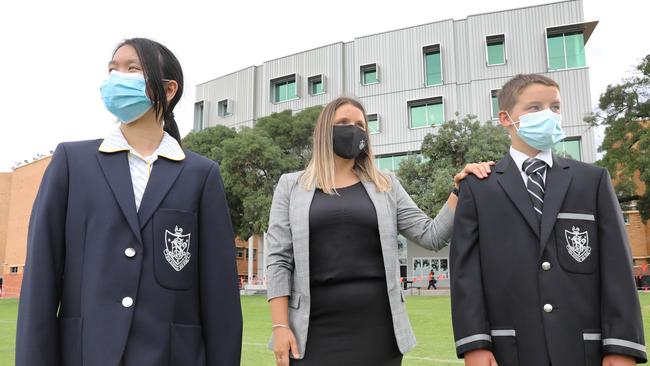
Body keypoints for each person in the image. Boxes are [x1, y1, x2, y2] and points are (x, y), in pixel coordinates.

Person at [15, 38, 242, 366]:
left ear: (168, 89)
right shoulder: (72, 162)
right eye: (112, 69)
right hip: (85, 353)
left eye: (132, 69)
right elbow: (41, 279)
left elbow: (220, 295)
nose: (117, 77)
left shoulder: (200, 175)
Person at [266, 96, 494, 366]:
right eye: (343, 122)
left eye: (361, 125)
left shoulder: (386, 185)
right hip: (311, 332)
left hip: (379, 331)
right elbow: (279, 260)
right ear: (323, 130)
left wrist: (460, 189)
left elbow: (431, 235)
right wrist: (280, 327)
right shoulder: (290, 186)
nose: (353, 129)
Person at [450, 74, 646, 366]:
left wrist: (621, 348)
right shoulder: (477, 188)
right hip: (510, 349)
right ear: (505, 118)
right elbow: (465, 274)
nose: (549, 115)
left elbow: (617, 267)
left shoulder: (591, 181)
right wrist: (474, 344)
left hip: (582, 349)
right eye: (534, 108)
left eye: (555, 107)